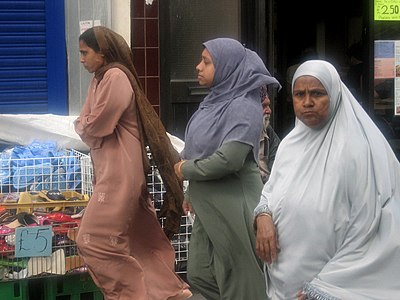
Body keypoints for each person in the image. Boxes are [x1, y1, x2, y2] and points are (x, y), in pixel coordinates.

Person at [254, 60, 400, 299]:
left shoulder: (356, 152)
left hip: (331, 284)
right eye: (299, 94)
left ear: (334, 95)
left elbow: (367, 228)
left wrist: (324, 287)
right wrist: (263, 216)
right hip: (283, 282)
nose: (307, 102)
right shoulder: (290, 144)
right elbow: (271, 191)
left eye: (317, 93)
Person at [74, 26, 191, 300]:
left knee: (93, 239)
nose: (81, 59)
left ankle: (129, 293)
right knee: (138, 238)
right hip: (110, 172)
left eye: (85, 52)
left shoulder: (116, 77)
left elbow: (97, 124)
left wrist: (83, 125)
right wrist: (84, 125)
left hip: (121, 174)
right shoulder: (99, 79)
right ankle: (171, 291)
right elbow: (86, 122)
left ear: (102, 53)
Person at [173, 38, 281, 300]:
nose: (198, 67)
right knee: (200, 272)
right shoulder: (213, 102)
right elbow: (203, 148)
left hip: (235, 205)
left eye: (206, 62)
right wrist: (191, 192)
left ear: (228, 68)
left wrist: (185, 170)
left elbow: (229, 160)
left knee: (240, 282)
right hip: (209, 206)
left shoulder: (244, 106)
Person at [259, 86, 281, 183]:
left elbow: (279, 165)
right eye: (264, 106)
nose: (269, 111)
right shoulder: (237, 134)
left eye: (269, 106)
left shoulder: (268, 132)